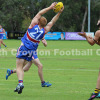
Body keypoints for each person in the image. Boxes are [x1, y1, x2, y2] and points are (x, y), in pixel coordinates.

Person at [6, 2, 64, 94]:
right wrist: (59, 12)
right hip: (31, 51)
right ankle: (19, 83)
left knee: (20, 67)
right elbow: (52, 22)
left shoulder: (33, 25)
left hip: (24, 47)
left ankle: (20, 83)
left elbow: (40, 13)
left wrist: (50, 7)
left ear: (38, 21)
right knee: (24, 67)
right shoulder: (44, 30)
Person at [78, 19, 100, 100]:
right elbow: (97, 43)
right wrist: (89, 37)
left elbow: (91, 43)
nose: (97, 20)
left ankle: (96, 93)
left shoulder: (98, 32)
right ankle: (97, 92)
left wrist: (86, 37)